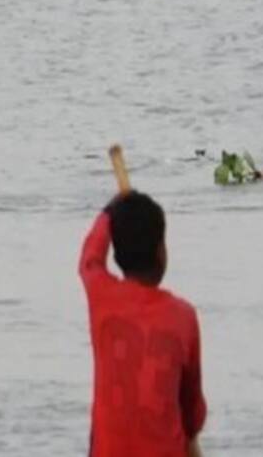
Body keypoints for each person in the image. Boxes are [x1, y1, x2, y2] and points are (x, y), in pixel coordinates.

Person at [81, 190, 208, 457]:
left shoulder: (102, 297)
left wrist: (109, 212)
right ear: (161, 252)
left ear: (117, 257)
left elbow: (90, 258)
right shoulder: (183, 317)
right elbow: (193, 413)